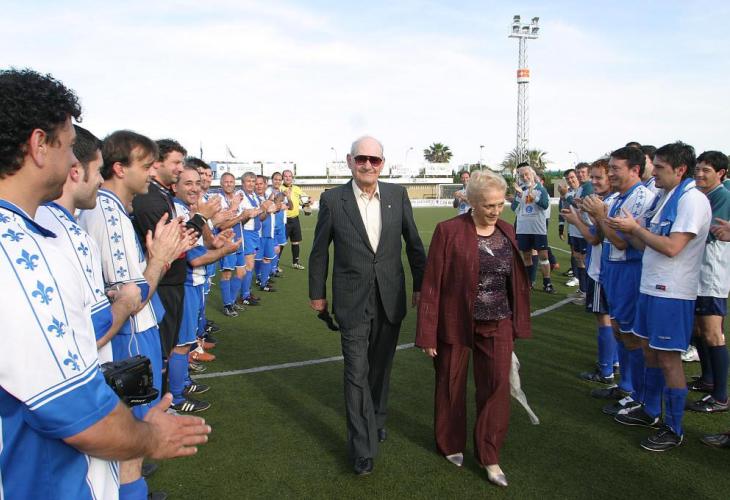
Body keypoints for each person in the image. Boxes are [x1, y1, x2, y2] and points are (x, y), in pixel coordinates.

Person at [0, 68, 210, 500]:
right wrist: (150, 436)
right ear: (39, 145)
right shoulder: (16, 247)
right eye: (67, 146)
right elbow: (74, 408)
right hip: (42, 479)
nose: (74, 165)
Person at [78, 129, 200, 496]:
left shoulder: (114, 210)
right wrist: (160, 258)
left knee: (135, 425)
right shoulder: (107, 215)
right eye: (146, 166)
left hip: (133, 329)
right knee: (133, 426)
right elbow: (132, 298)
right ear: (119, 168)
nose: (152, 172)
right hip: (129, 335)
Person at [308, 135, 426, 476]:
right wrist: (317, 292)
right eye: (361, 159)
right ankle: (362, 447)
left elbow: (414, 244)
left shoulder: (397, 195)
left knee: (380, 368)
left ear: (382, 164)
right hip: (351, 300)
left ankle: (376, 418)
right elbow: (320, 251)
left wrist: (421, 285)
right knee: (356, 371)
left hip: (390, 296)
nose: (368, 165)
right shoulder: (333, 199)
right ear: (350, 161)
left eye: (374, 160)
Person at [415, 170, 531, 488]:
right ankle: (450, 443)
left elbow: (514, 280)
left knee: (496, 388)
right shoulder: (448, 230)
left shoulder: (507, 229)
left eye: (500, 204)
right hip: (456, 321)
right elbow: (432, 283)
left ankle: (489, 455)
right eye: (488, 205)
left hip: (499, 322)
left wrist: (517, 320)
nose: (496, 211)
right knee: (450, 383)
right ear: (472, 202)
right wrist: (427, 332)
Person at [607, 141, 711, 451]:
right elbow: (646, 245)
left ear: (680, 169)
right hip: (650, 286)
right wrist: (631, 230)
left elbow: (672, 247)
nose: (654, 173)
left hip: (673, 292)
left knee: (667, 357)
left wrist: (635, 229)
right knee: (648, 350)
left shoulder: (692, 200)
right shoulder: (666, 197)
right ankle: (650, 410)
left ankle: (674, 428)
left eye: (661, 168)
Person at [582, 147, 656, 416]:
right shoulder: (616, 197)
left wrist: (600, 216)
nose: (610, 173)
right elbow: (602, 236)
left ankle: (638, 394)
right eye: (610, 168)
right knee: (618, 330)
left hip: (629, 270)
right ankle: (626, 387)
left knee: (631, 335)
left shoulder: (641, 198)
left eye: (615, 168)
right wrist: (596, 215)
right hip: (612, 269)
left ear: (635, 170)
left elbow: (623, 243)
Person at [562, 159, 618, 384]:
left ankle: (605, 370)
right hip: (609, 268)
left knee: (604, 318)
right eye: (591, 177)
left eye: (598, 177)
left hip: (602, 270)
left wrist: (576, 219)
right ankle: (614, 362)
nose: (593, 181)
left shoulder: (608, 202)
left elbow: (595, 238)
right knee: (614, 319)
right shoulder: (611, 200)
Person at [687, 152, 730, 413]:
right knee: (699, 329)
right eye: (698, 169)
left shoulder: (722, 196)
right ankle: (708, 379)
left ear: (721, 174)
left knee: (713, 333)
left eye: (707, 170)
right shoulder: (702, 196)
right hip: (697, 274)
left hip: (711, 275)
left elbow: (711, 233)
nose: (700, 174)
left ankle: (721, 396)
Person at [511, 164, 554, 293]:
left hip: (538, 229)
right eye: (522, 176)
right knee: (527, 256)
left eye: (527, 174)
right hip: (523, 228)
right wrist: (519, 195)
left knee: (543, 256)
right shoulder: (520, 190)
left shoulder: (540, 189)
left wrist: (534, 196)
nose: (524, 177)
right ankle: (529, 282)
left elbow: (545, 205)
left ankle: (547, 283)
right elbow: (514, 208)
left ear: (532, 175)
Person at [281, 169, 309, 269]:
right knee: (281, 243)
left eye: (290, 176)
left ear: (292, 178)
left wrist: (308, 203)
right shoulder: (280, 188)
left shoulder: (297, 188)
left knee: (296, 241)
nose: (288, 178)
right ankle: (274, 265)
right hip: (284, 220)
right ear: (282, 178)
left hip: (295, 219)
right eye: (286, 176)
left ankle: (295, 262)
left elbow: (304, 201)